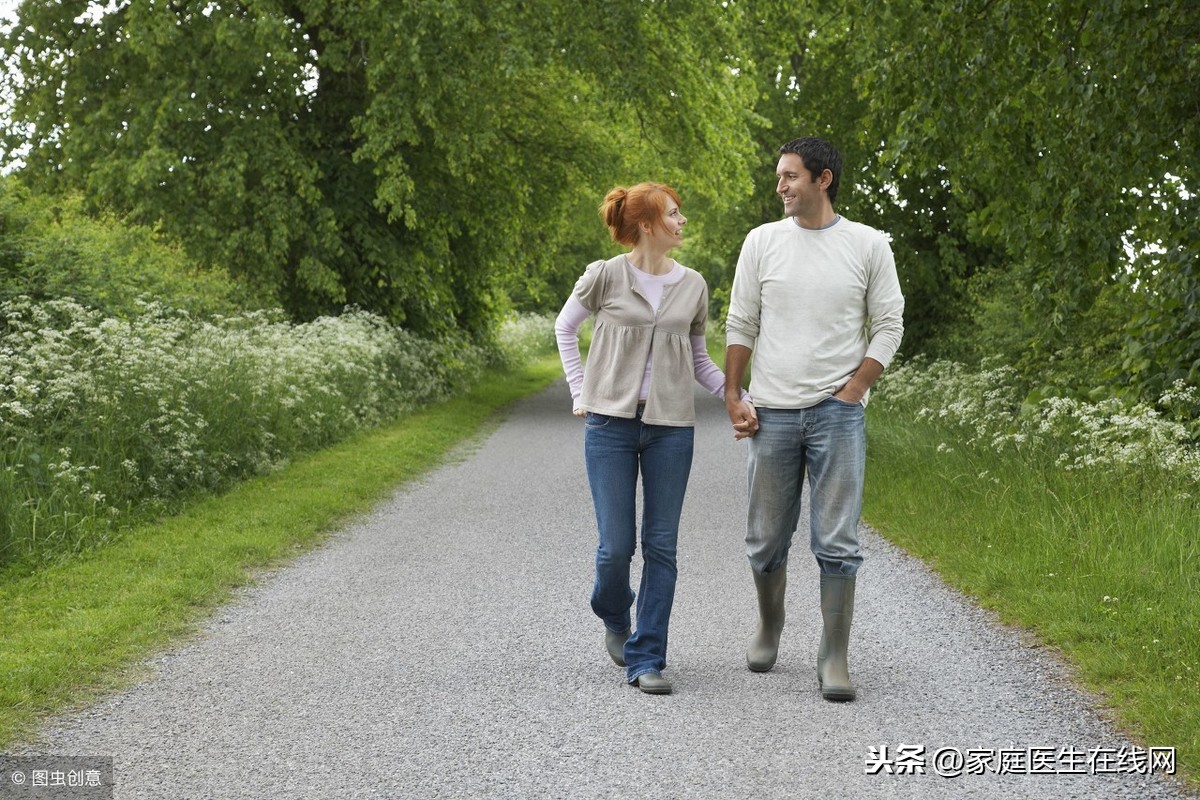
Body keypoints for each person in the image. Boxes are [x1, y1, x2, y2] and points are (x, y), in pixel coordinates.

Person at [556, 182, 756, 695]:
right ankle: (613, 612)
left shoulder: (693, 285)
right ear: (646, 225)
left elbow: (700, 360)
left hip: (671, 431)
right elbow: (564, 329)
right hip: (609, 427)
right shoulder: (604, 276)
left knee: (661, 546)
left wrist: (738, 397)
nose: (681, 221)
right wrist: (581, 392)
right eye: (672, 214)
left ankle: (647, 658)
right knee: (614, 549)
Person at [723, 137, 904, 701]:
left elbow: (889, 325)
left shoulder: (868, 245)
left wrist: (854, 391)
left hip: (837, 414)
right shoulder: (761, 243)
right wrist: (734, 393)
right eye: (779, 176)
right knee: (765, 538)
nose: (780, 186)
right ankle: (770, 626)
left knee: (839, 540)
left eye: (790, 176)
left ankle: (834, 656)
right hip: (772, 410)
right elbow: (740, 322)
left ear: (823, 180)